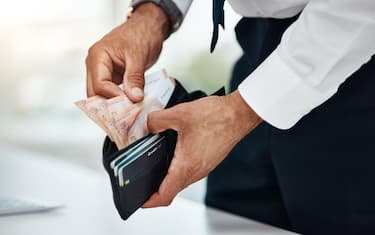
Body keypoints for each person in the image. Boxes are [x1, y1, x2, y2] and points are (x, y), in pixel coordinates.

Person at [85, 1, 375, 234]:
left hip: (351, 63)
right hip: (254, 54)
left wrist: (239, 112)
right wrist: (154, 12)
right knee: (231, 218)